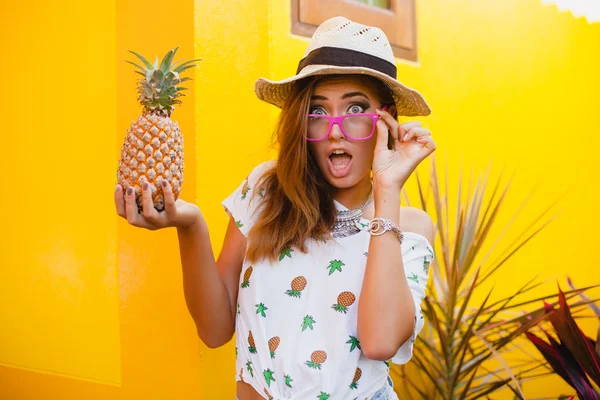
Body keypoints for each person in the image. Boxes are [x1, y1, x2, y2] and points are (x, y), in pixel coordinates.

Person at [115, 16, 436, 400]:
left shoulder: (409, 226)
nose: (334, 129)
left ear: (385, 122)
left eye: (354, 110)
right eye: (317, 112)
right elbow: (214, 331)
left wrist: (387, 188)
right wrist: (191, 224)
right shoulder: (266, 191)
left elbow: (380, 341)